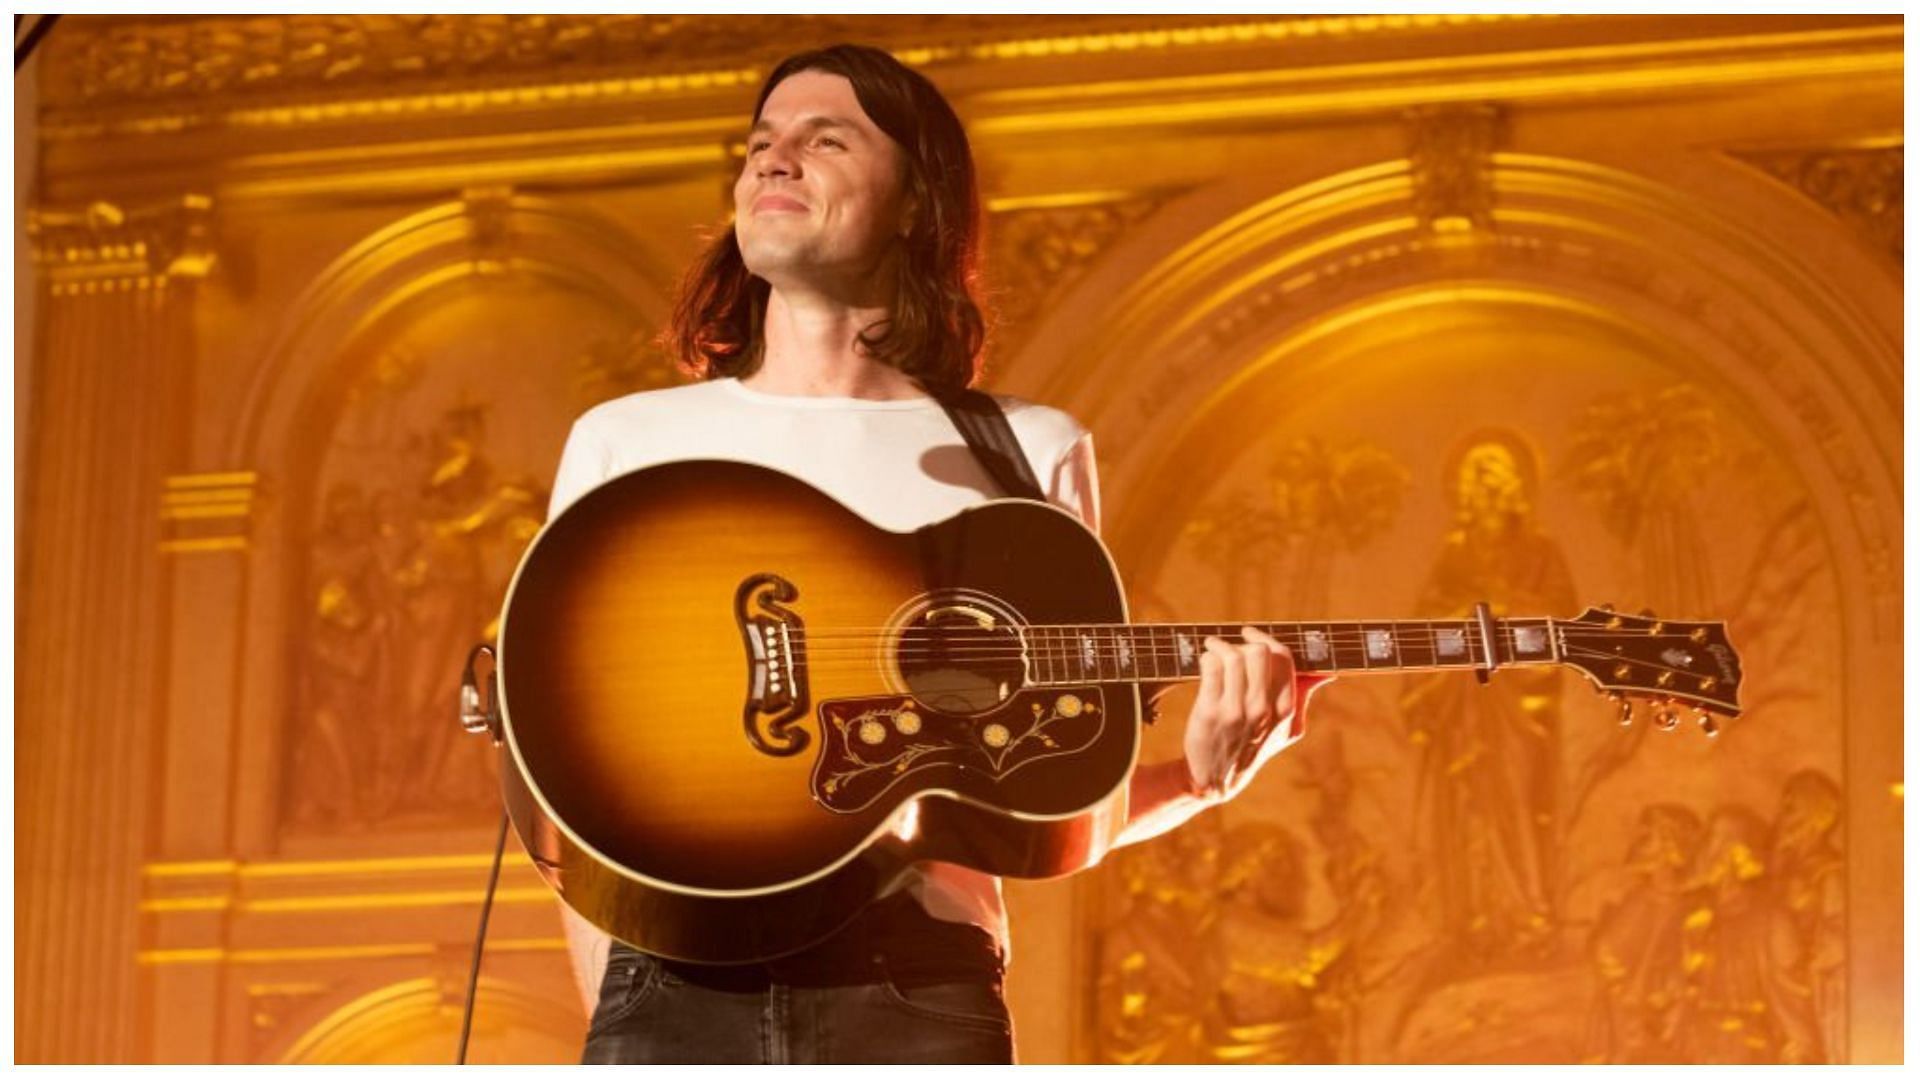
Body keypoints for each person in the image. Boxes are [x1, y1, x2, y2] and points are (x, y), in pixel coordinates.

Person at [543, 43, 1317, 1065]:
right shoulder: (628, 444)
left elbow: (1035, 795)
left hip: (914, 987)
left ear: (917, 203)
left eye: (826, 140)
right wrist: (620, 993)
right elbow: (555, 759)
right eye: (761, 143)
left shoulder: (1027, 451)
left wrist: (1203, 782)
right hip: (670, 986)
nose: (775, 161)